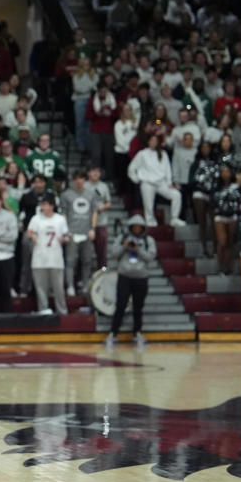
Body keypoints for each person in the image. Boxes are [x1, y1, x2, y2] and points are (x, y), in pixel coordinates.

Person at [103, 215, 156, 351]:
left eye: (140, 227)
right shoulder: (122, 238)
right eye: (134, 226)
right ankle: (113, 333)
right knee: (120, 305)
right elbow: (113, 253)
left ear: (143, 228)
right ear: (131, 227)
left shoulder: (148, 240)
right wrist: (124, 246)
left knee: (138, 307)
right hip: (125, 276)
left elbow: (151, 256)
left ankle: (137, 333)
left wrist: (139, 249)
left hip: (141, 277)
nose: (137, 229)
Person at [128, 135, 187, 228]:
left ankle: (174, 218)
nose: (153, 142)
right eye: (151, 140)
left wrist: (169, 183)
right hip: (147, 182)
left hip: (161, 183)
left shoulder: (163, 153)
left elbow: (168, 170)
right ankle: (150, 221)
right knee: (148, 205)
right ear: (148, 142)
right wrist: (137, 180)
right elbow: (131, 168)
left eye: (155, 140)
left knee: (176, 195)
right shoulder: (142, 154)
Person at [26, 196, 69, 315]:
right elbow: (29, 231)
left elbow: (66, 235)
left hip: (55, 258)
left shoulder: (60, 219)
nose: (43, 207)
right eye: (42, 205)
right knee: (41, 288)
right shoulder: (36, 219)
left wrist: (64, 239)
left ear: (52, 206)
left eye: (45, 205)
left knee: (58, 288)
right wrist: (32, 236)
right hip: (39, 257)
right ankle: (43, 310)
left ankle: (62, 311)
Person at [60, 170, 100, 296]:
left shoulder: (91, 194)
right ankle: (70, 286)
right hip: (72, 231)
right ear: (73, 180)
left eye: (81, 178)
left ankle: (85, 284)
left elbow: (94, 212)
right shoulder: (66, 195)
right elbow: (63, 213)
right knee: (70, 260)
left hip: (86, 231)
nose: (79, 181)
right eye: (76, 178)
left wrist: (93, 228)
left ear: (84, 180)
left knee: (87, 260)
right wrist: (65, 231)